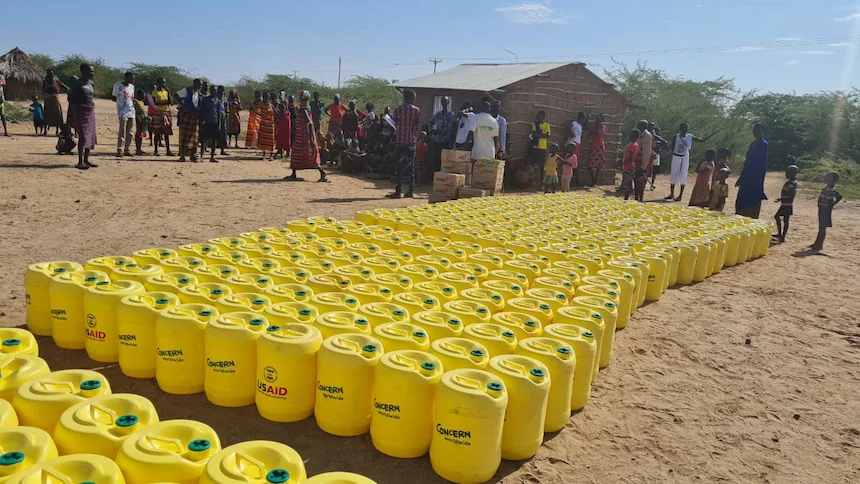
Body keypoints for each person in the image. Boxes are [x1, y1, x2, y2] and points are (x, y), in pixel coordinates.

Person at [284, 91, 329, 183]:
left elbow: (310, 123)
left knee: (309, 155)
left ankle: (322, 172)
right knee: (297, 154)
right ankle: (294, 173)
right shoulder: (306, 109)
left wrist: (311, 138)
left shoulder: (304, 110)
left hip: (305, 137)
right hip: (302, 135)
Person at [386, 89, 421, 199]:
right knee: (411, 167)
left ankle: (398, 191)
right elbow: (418, 125)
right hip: (411, 141)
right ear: (412, 98)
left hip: (400, 141)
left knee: (398, 166)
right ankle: (410, 190)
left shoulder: (398, 110)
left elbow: (395, 123)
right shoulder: (417, 110)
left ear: (404, 97)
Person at [735, 123, 770, 218]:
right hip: (747, 175)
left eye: (758, 130)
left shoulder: (763, 144)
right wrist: (741, 177)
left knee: (753, 197)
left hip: (755, 176)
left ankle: (752, 217)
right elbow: (747, 161)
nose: (755, 132)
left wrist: (758, 179)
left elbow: (762, 164)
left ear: (762, 131)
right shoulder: (753, 143)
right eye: (754, 130)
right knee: (742, 198)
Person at [667, 123, 708, 201]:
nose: (686, 129)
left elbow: (701, 140)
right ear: (681, 128)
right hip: (676, 156)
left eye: (687, 128)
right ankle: (671, 194)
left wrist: (705, 139)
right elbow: (672, 147)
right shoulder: (676, 137)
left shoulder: (690, 136)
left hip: (685, 157)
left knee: (684, 174)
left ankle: (680, 195)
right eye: (684, 128)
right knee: (673, 173)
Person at [68, 64, 98, 170]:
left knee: (90, 136)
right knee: (83, 136)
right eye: (90, 71)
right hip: (80, 112)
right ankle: (80, 162)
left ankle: (86, 160)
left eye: (93, 71)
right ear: (83, 71)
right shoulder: (76, 83)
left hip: (90, 112)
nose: (92, 73)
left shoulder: (91, 83)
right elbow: (70, 98)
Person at [810, 171, 844, 252]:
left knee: (822, 227)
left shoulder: (829, 189)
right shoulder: (831, 188)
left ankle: (819, 244)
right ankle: (817, 243)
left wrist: (831, 204)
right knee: (821, 227)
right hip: (823, 209)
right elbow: (839, 196)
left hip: (825, 210)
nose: (825, 179)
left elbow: (839, 197)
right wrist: (832, 204)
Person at [176, 79, 202, 162]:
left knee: (195, 137)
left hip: (195, 117)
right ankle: (182, 155)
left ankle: (193, 155)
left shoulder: (199, 94)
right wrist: (183, 105)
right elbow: (176, 95)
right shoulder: (187, 90)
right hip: (187, 115)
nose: (200, 86)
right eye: (199, 84)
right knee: (185, 136)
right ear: (195, 84)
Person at [111, 72, 136, 157]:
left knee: (130, 132)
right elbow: (113, 97)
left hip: (131, 111)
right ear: (126, 77)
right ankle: (119, 149)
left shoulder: (132, 87)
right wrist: (121, 103)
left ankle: (127, 149)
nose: (133, 80)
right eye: (131, 78)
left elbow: (132, 98)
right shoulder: (118, 85)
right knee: (122, 131)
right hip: (122, 111)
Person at [428, 96, 456, 173]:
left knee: (445, 158)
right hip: (437, 140)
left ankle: (444, 174)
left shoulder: (451, 114)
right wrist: (432, 130)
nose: (444, 103)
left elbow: (453, 127)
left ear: (448, 102)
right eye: (442, 102)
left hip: (446, 140)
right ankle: (436, 174)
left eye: (445, 101)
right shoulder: (438, 114)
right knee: (436, 158)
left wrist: (452, 139)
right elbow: (431, 122)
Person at [773, 165, 799, 243]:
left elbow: (791, 194)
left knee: (779, 217)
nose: (786, 173)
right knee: (784, 219)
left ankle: (782, 236)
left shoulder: (790, 183)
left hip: (786, 204)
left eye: (788, 172)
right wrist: (781, 199)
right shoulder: (792, 182)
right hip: (786, 203)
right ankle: (780, 235)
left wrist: (784, 198)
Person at [198, 84, 222, 163]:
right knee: (204, 140)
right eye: (212, 90)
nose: (213, 92)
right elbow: (201, 111)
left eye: (214, 91)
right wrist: (201, 122)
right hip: (206, 121)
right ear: (209, 91)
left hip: (214, 122)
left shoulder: (218, 101)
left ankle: (212, 157)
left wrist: (219, 124)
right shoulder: (204, 99)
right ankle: (201, 156)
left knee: (214, 140)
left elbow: (219, 113)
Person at [150, 78, 174, 157]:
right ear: (158, 83)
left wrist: (168, 93)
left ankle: (168, 150)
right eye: (162, 82)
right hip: (158, 113)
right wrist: (165, 102)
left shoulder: (166, 92)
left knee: (167, 133)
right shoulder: (154, 92)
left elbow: (170, 102)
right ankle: (156, 150)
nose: (164, 84)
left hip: (167, 112)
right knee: (157, 133)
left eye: (164, 83)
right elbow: (156, 103)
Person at [41, 69, 67, 135]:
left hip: (55, 100)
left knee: (57, 114)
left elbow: (65, 87)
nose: (51, 75)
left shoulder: (56, 81)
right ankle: (45, 130)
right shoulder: (45, 82)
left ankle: (57, 131)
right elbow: (43, 90)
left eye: (52, 74)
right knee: (47, 114)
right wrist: (47, 96)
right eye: (49, 74)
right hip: (48, 100)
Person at [253, 92, 276, 160]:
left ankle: (271, 155)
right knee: (263, 140)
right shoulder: (261, 105)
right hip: (263, 125)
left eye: (268, 97)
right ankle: (264, 155)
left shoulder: (271, 105)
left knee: (271, 140)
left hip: (271, 125)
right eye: (266, 97)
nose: (267, 98)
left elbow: (276, 113)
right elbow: (256, 111)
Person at [529, 110, 551, 182]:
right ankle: (530, 181)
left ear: (543, 117)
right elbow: (534, 134)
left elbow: (548, 135)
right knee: (532, 164)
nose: (539, 117)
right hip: (535, 146)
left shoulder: (546, 125)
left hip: (543, 147)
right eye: (538, 116)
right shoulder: (535, 124)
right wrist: (542, 135)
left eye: (540, 116)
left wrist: (539, 135)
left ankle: (542, 183)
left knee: (542, 165)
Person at [587, 114, 606, 187]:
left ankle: (595, 181)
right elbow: (588, 129)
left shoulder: (602, 127)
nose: (596, 122)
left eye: (598, 120)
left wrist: (598, 125)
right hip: (593, 147)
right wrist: (588, 118)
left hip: (600, 147)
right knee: (590, 166)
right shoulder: (594, 128)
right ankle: (593, 180)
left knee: (599, 165)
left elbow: (598, 134)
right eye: (596, 120)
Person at [621, 129, 640, 201]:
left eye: (632, 136)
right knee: (628, 182)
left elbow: (631, 157)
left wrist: (623, 163)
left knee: (626, 183)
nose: (630, 137)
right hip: (630, 165)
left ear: (636, 137)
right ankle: (627, 197)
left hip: (628, 166)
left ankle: (626, 198)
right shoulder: (636, 145)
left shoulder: (633, 145)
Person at [133, 89, 151, 155]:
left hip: (143, 119)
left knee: (142, 133)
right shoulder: (135, 101)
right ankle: (138, 149)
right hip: (138, 118)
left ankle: (139, 148)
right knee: (138, 133)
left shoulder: (141, 101)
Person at [650, 125, 664, 190]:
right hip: (651, 154)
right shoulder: (651, 138)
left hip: (656, 155)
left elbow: (664, 144)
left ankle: (652, 184)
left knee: (654, 171)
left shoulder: (659, 139)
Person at [216, 86, 228, 156]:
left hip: (223, 116)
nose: (222, 92)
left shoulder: (224, 98)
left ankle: (222, 150)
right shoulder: (215, 97)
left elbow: (225, 107)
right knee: (215, 133)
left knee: (223, 133)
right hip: (216, 115)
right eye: (221, 90)